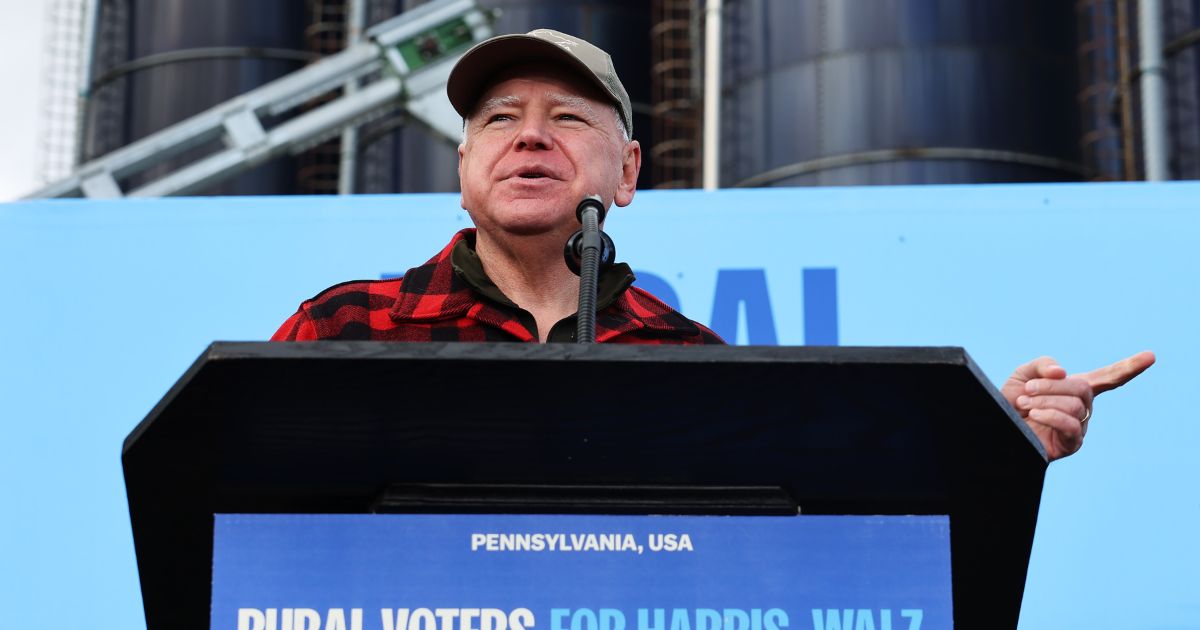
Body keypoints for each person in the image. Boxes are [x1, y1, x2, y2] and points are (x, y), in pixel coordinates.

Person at [273, 28, 1154, 461]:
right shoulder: (346, 325)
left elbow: (802, 538)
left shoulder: (690, 360)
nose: (529, 138)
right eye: (500, 120)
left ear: (626, 173)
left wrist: (992, 442)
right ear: (465, 166)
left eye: (566, 120)